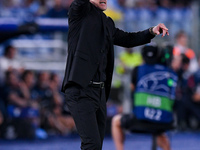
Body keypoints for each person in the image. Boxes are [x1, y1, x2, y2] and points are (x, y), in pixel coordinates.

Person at [61, 0, 169, 149]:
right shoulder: (79, 12)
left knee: (96, 145)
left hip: (99, 93)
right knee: (92, 144)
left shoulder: (107, 23)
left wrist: (151, 31)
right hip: (80, 90)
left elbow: (128, 39)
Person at [112, 45, 177, 150]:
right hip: (163, 122)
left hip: (140, 120)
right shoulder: (169, 73)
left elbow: (132, 88)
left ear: (142, 57)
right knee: (160, 133)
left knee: (116, 121)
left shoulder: (137, 70)